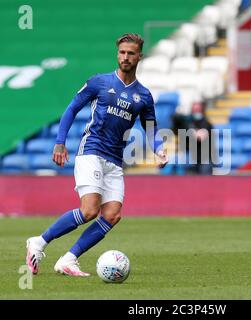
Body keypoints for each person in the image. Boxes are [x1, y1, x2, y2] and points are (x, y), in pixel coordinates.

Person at [25, 33, 168, 276]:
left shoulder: (143, 96)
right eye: (122, 52)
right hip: (91, 150)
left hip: (115, 160)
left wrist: (159, 149)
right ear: (117, 54)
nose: (125, 57)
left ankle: (68, 259)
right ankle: (39, 242)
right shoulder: (99, 82)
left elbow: (151, 128)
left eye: (130, 53)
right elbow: (72, 108)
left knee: (112, 215)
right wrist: (60, 142)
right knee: (89, 210)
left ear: (139, 56)